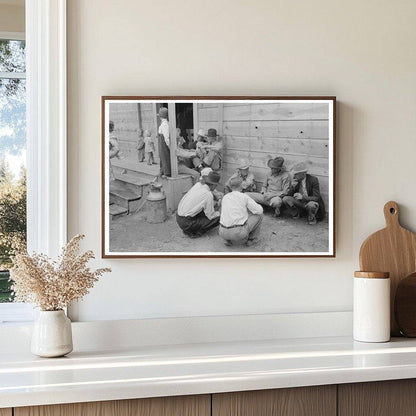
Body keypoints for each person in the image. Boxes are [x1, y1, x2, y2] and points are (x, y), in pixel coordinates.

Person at [219, 176, 263, 247]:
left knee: (229, 215)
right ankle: (252, 239)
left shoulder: (225, 197)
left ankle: (227, 239)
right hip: (237, 233)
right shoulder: (244, 196)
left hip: (222, 232)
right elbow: (259, 210)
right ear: (241, 185)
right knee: (259, 215)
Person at [176, 171, 221, 238]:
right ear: (214, 185)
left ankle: (189, 229)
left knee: (206, 209)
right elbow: (210, 216)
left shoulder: (198, 185)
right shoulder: (208, 195)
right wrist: (219, 212)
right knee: (218, 218)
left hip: (178, 216)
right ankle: (195, 232)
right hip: (186, 222)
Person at [158, 107, 171, 177]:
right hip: (161, 141)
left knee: (165, 156)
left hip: (163, 142)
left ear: (161, 116)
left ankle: (167, 172)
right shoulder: (163, 123)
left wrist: (168, 145)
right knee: (162, 156)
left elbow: (166, 136)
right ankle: (162, 171)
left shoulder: (165, 124)